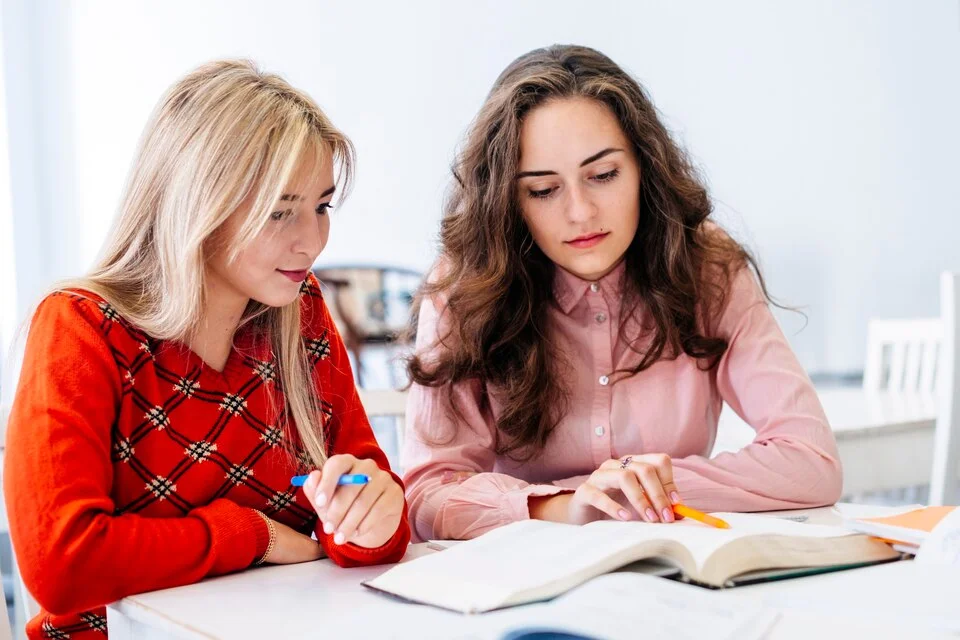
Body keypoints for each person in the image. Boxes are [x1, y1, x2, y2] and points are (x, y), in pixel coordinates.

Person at [4, 60, 409, 639]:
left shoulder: (302, 309)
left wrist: (373, 522)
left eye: (322, 206)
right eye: (280, 211)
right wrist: (251, 535)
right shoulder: (79, 327)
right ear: (197, 207)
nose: (313, 240)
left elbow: (365, 506)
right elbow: (62, 566)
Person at [402, 44, 841, 542]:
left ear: (643, 169)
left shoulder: (707, 267)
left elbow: (811, 461)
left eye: (604, 175)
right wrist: (566, 506)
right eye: (544, 190)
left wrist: (626, 492)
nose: (581, 213)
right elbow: (427, 495)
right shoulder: (464, 287)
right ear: (508, 200)